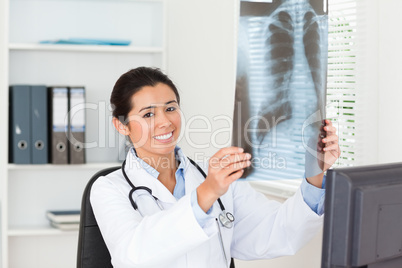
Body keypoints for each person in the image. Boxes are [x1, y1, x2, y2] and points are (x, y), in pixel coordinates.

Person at [91, 67, 340, 268]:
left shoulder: (217, 178)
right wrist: (207, 192)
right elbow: (132, 256)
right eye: (148, 115)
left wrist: (314, 173)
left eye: (170, 108)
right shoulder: (108, 188)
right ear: (121, 125)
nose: (165, 122)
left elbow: (278, 233)